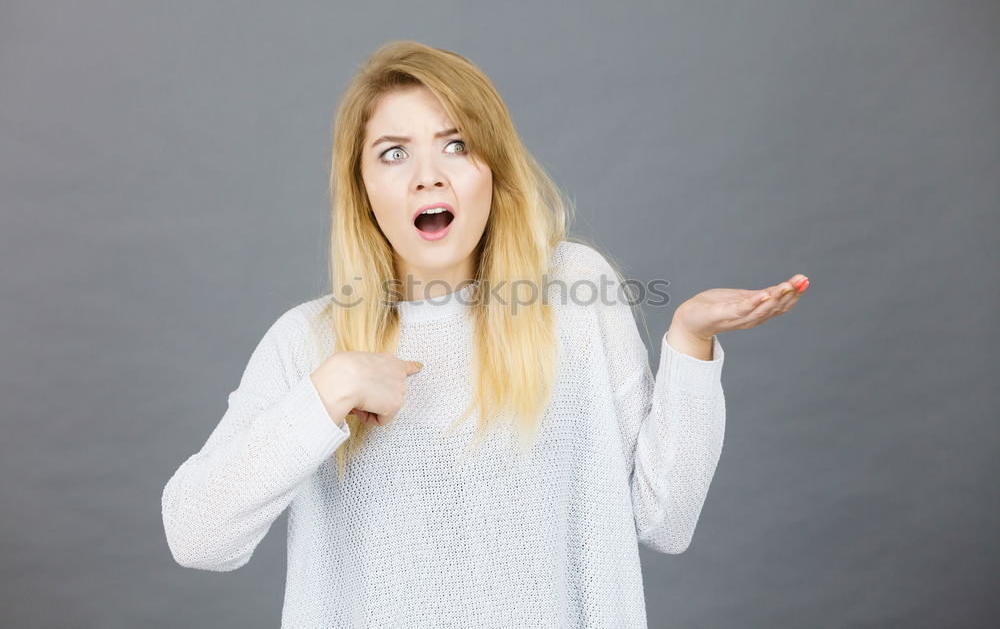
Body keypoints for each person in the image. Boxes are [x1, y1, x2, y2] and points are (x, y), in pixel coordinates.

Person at [160, 39, 809, 628]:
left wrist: (690, 344)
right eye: (393, 153)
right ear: (363, 188)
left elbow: (665, 520)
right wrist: (327, 393)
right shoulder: (306, 340)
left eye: (456, 143)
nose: (428, 176)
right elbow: (196, 536)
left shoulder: (574, 295)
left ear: (491, 169)